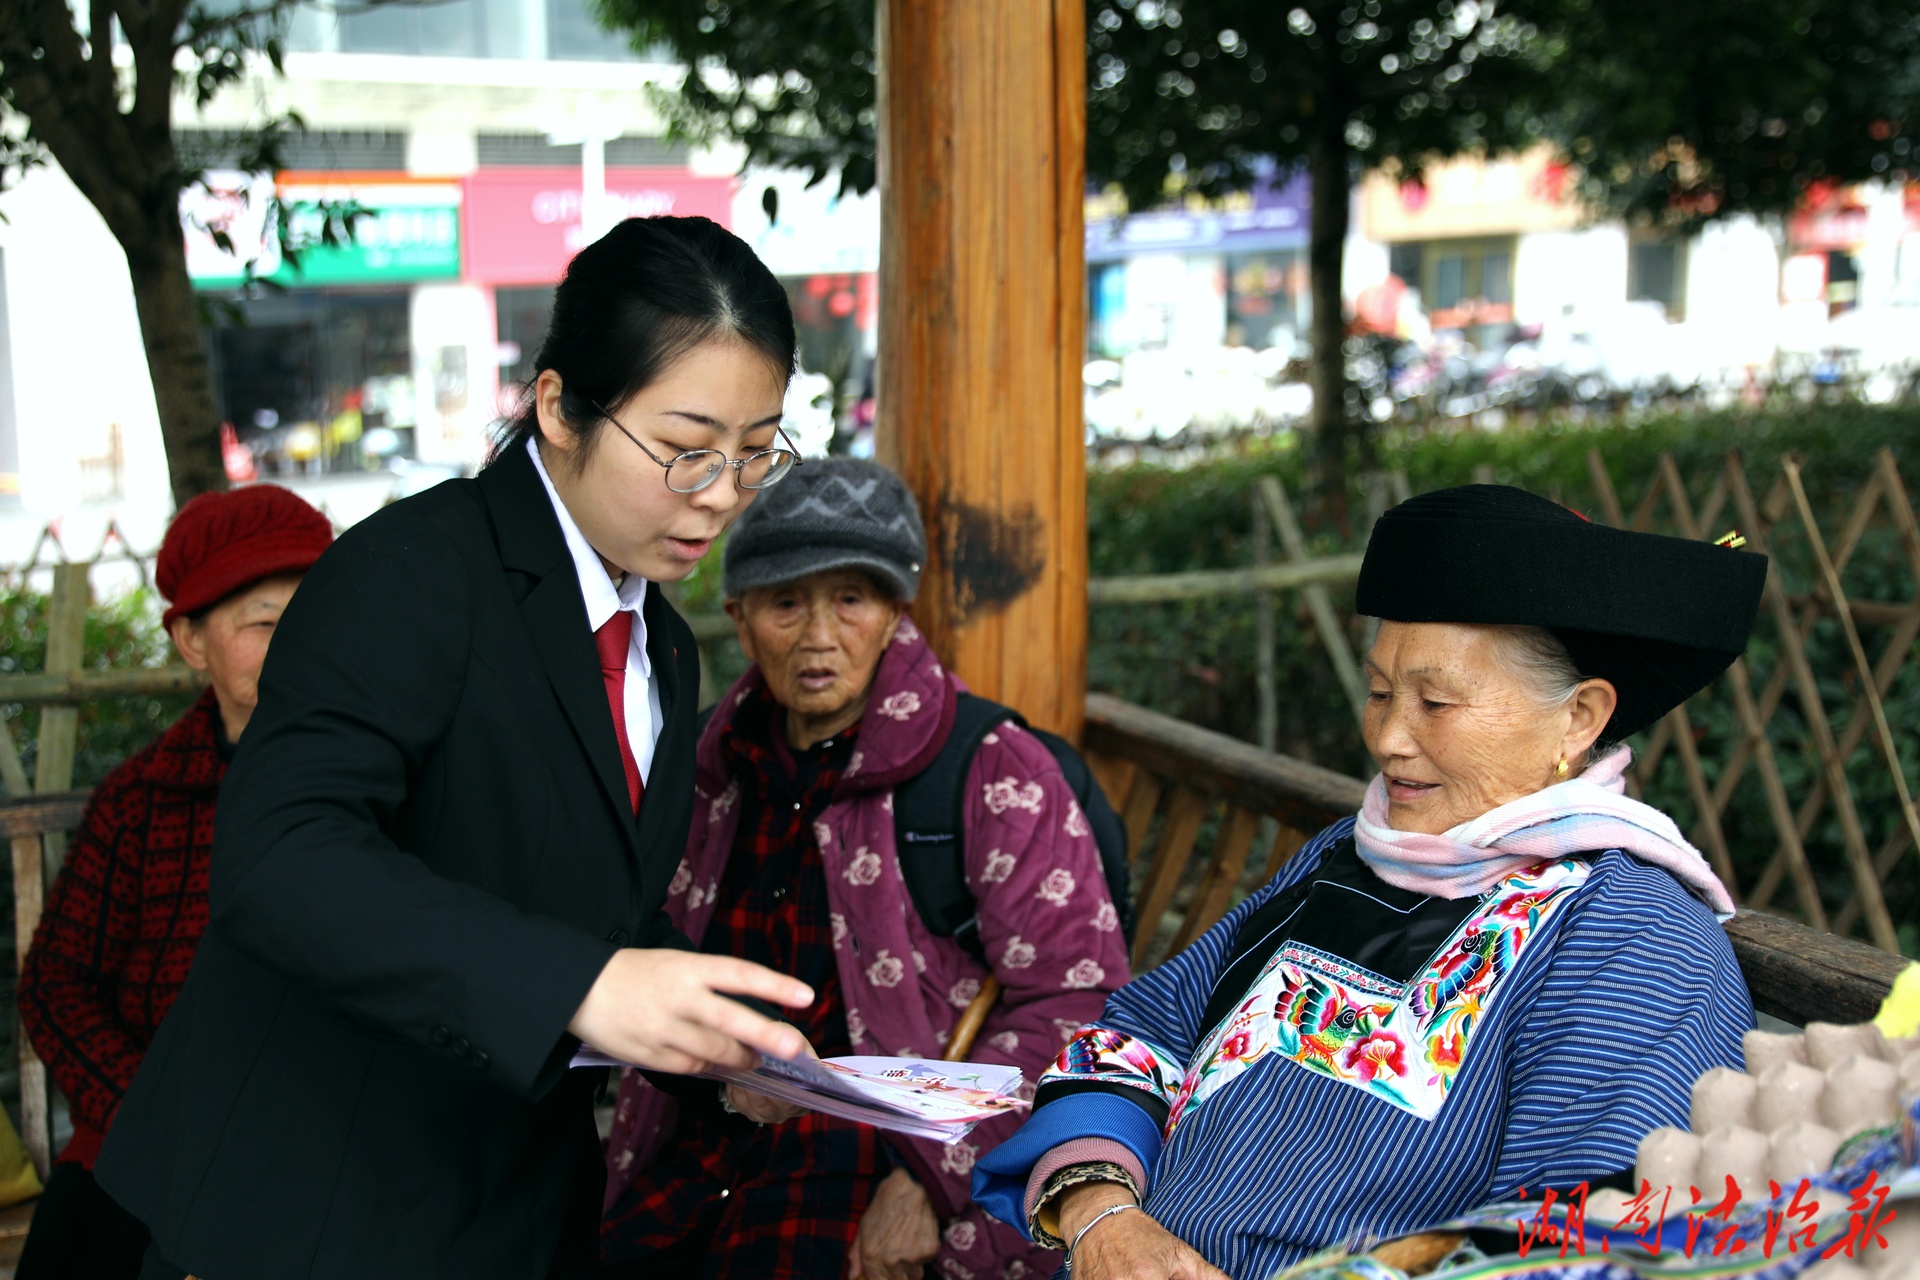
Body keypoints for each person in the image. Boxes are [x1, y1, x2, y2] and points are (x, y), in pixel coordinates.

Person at [93, 216, 819, 1280]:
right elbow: (281, 853)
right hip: (321, 1205)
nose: (722, 491)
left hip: (509, 1200)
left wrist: (713, 1033)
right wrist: (584, 983)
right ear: (562, 406)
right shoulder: (412, 575)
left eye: (756, 451)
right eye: (686, 448)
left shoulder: (656, 634)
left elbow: (569, 886)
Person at [973, 484, 1770, 1280]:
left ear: (1581, 718)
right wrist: (1102, 1216)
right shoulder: (1342, 861)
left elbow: (1577, 1240)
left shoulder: (1633, 939)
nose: (1390, 739)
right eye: (1381, 692)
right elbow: (1138, 1038)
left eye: (1436, 702)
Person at [600, 459, 1129, 1280]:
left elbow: (1077, 1001)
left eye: (850, 599)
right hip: (710, 1141)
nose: (818, 635)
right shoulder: (703, 770)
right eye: (785, 603)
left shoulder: (995, 770)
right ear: (740, 618)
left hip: (886, 1160)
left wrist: (929, 1181)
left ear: (893, 614)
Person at [15, 485, 333, 1280]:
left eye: (316, 615)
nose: (296, 644)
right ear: (192, 641)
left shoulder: (391, 786)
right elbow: (55, 982)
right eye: (263, 622)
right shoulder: (141, 801)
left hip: (332, 1140)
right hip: (152, 1134)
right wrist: (149, 1117)